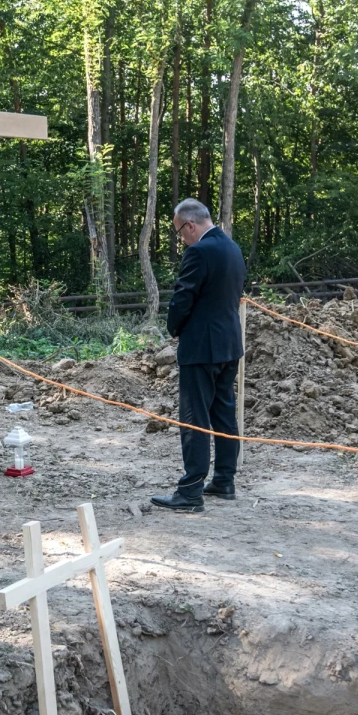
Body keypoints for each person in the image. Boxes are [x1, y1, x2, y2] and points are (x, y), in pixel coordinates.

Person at [151, 199, 246, 512]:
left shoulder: (198, 252)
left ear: (190, 225)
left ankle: (191, 491)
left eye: (180, 232)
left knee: (195, 418)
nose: (181, 239)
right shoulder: (232, 247)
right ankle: (224, 479)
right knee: (223, 413)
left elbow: (183, 297)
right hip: (229, 345)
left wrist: (174, 327)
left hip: (201, 347)